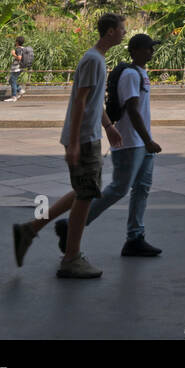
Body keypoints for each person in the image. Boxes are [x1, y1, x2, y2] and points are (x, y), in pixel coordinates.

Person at [12, 12, 126, 279]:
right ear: (110, 31)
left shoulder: (98, 59)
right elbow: (80, 102)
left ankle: (29, 230)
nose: (123, 32)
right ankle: (71, 257)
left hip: (90, 136)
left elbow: (95, 102)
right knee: (86, 195)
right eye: (121, 29)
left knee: (84, 190)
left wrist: (109, 127)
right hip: (84, 138)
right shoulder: (92, 60)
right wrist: (74, 143)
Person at [55, 32, 163, 258]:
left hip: (141, 144)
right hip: (130, 143)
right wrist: (147, 140)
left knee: (141, 189)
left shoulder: (141, 73)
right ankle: (74, 225)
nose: (151, 52)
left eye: (152, 48)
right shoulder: (130, 75)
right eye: (147, 48)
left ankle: (135, 237)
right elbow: (132, 109)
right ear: (134, 51)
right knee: (119, 189)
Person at [5, 36, 28, 102]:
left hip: (17, 68)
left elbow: (19, 58)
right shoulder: (23, 48)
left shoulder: (18, 49)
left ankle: (14, 97)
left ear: (17, 42)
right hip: (21, 67)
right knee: (11, 81)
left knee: (12, 81)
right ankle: (20, 90)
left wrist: (13, 54)